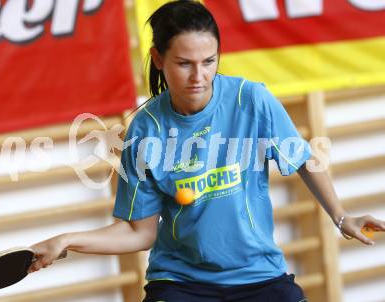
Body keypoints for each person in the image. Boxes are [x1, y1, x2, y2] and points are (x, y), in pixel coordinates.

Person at [28, 1, 385, 301]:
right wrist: (68, 240)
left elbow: (303, 157)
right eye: (184, 63)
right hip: (181, 284)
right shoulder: (144, 131)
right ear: (158, 58)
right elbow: (140, 233)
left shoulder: (251, 99)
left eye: (209, 61)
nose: (199, 75)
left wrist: (341, 216)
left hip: (259, 275)